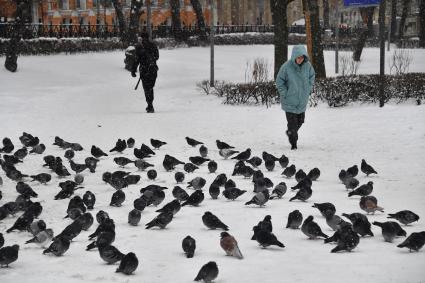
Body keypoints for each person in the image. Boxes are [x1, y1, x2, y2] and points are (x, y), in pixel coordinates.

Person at [276, 45, 315, 150]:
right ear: (294, 57)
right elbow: (279, 82)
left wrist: (308, 88)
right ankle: (294, 144)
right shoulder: (286, 67)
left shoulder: (308, 66)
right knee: (293, 126)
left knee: (300, 121)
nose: (300, 59)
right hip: (289, 101)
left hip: (302, 101)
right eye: (298, 57)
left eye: (302, 57)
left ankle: (290, 132)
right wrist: (286, 93)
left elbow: (312, 77)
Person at [131, 32, 159, 113]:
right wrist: (151, 58)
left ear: (141, 38)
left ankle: (150, 105)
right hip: (153, 69)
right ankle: (150, 104)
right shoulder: (153, 45)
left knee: (146, 88)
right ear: (148, 37)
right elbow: (157, 57)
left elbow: (136, 60)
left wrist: (133, 70)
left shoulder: (139, 47)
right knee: (150, 87)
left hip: (144, 70)